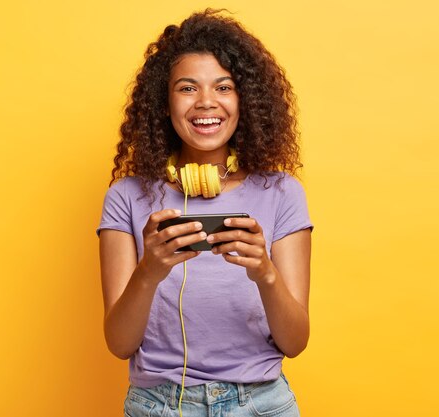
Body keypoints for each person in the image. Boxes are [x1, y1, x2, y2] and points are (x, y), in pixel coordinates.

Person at [97, 9, 313, 417]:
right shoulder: (126, 197)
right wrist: (149, 271)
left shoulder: (283, 193)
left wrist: (265, 272)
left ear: (244, 99)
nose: (206, 102)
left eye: (224, 87)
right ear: (164, 102)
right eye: (187, 88)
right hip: (159, 405)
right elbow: (119, 343)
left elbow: (295, 342)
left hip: (261, 403)